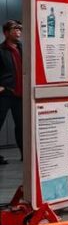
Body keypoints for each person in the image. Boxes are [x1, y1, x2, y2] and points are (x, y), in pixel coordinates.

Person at [0, 20, 24, 164]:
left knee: (21, 126)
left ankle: (25, 155)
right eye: (15, 29)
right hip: (5, 93)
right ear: (6, 32)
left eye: (20, 29)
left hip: (20, 94)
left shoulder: (23, 49)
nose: (18, 32)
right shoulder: (1, 50)